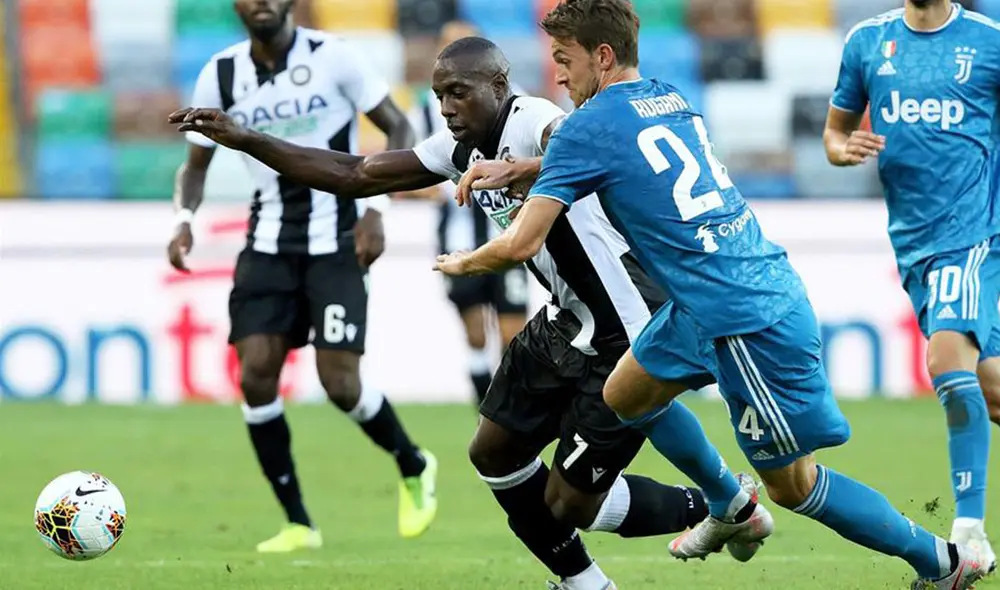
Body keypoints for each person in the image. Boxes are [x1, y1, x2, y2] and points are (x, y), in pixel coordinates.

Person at [168, 36, 762, 590]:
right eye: (439, 95)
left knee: (571, 504)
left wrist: (522, 169)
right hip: (564, 321)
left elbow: (574, 145)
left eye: (460, 92)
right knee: (493, 454)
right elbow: (355, 174)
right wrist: (249, 140)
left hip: (621, 331)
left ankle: (726, 505)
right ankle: (589, 583)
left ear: (499, 85)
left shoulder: (533, 121)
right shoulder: (457, 147)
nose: (448, 106)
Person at [448, 0, 989, 588]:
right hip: (697, 305)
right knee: (626, 392)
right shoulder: (668, 96)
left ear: (602, 57)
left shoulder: (586, 128)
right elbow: (605, 151)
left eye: (565, 60)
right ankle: (728, 505)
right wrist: (526, 168)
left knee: (795, 485)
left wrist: (463, 262)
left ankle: (942, 562)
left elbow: (522, 243)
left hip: (744, 317)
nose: (558, 75)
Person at [166, 0, 437, 552]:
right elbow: (194, 167)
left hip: (337, 240)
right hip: (266, 243)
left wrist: (377, 211)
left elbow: (399, 125)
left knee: (340, 385)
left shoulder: (334, 56)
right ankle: (297, 523)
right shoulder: (220, 74)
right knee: (256, 373)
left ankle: (414, 463)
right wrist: (184, 221)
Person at [824, 0, 1000, 570]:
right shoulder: (866, 43)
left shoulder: (989, 41)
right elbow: (835, 132)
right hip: (913, 244)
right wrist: (842, 150)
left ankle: (969, 534)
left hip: (974, 235)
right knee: (991, 390)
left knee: (948, 363)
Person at [406, 20, 528, 407]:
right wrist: (433, 190)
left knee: (513, 333)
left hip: (507, 237)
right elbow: (412, 172)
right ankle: (487, 409)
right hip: (458, 239)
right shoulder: (425, 112)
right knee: (475, 334)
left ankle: (512, 409)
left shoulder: (516, 104)